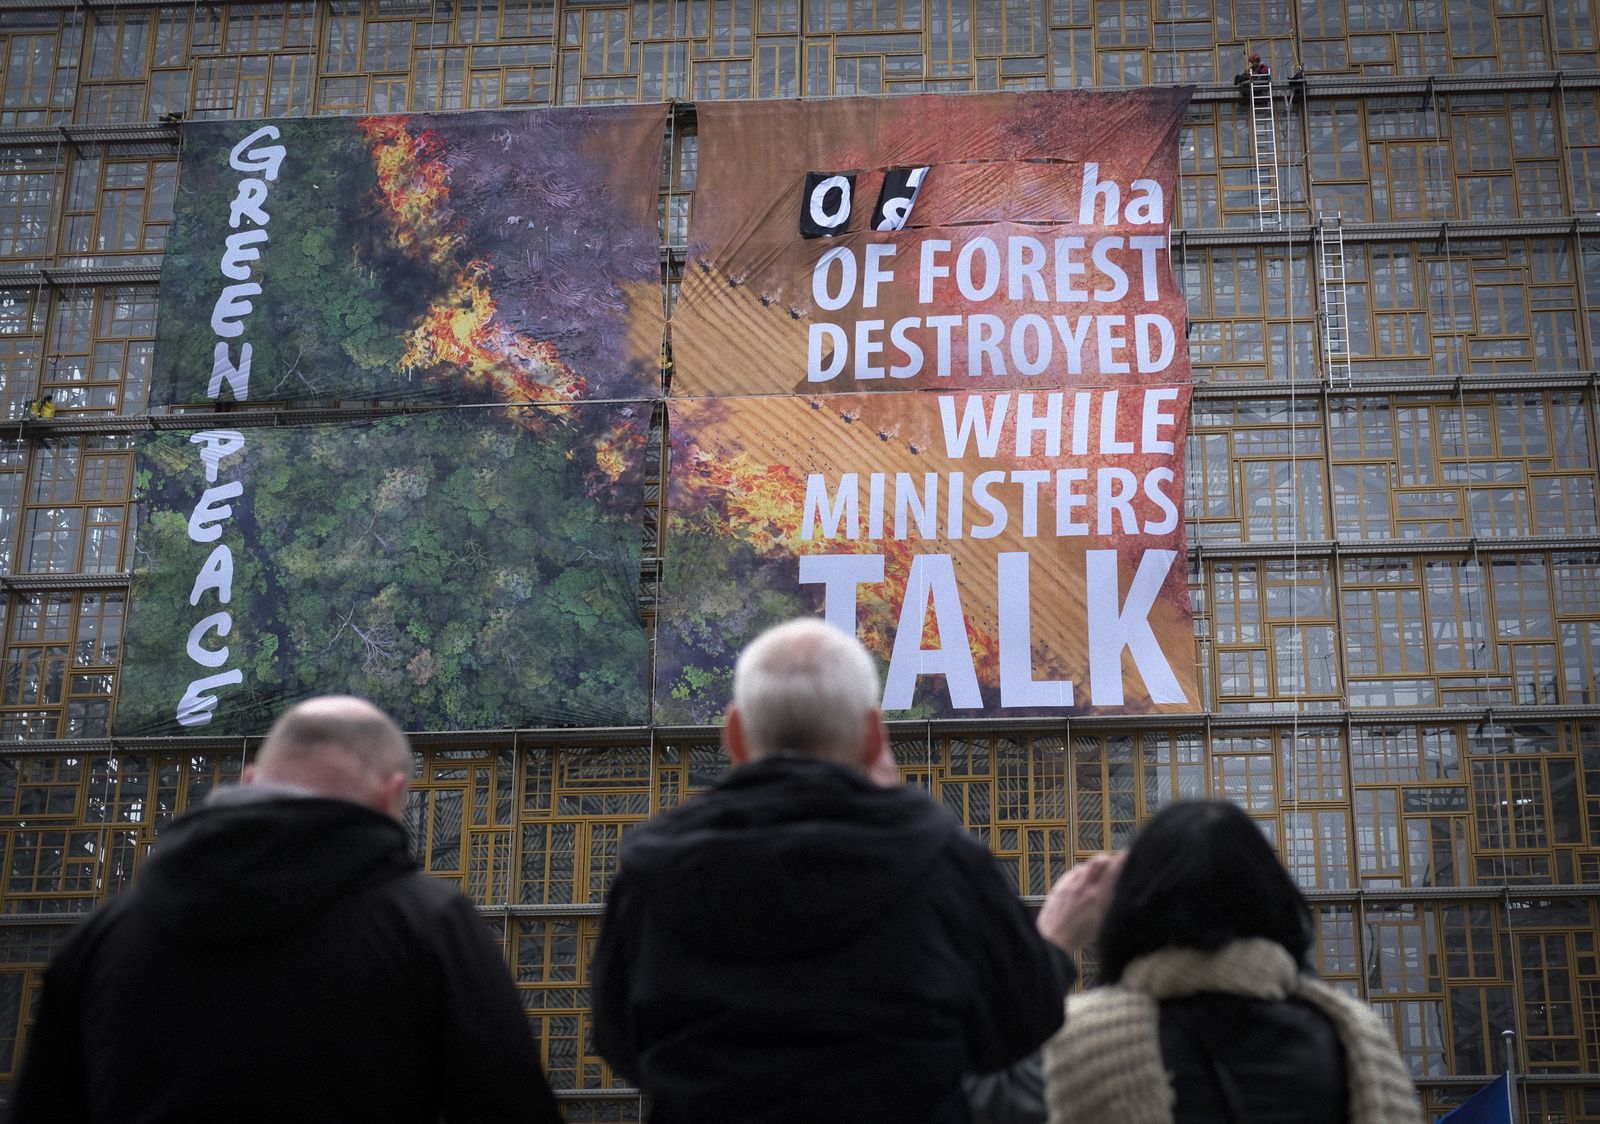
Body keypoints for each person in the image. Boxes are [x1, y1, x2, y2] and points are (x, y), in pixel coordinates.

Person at [591, 618, 1115, 1123]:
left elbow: (618, 1044)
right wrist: (1054, 937)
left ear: (734, 733)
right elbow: (1013, 1029)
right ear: (872, 735)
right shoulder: (937, 856)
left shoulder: (651, 867)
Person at [7, 695, 561, 1124]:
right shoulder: (428, 924)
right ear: (393, 795)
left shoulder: (105, 935)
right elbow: (507, 1104)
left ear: (251, 779)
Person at [1043, 800, 1424, 1124]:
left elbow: (991, 1091)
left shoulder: (1081, 1042)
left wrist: (1052, 941)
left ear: (1130, 907)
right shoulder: (1360, 1040)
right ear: (1275, 898)